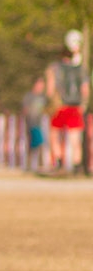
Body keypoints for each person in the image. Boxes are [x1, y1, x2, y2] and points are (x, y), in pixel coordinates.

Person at [46, 32, 90, 173]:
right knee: (74, 137)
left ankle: (59, 161)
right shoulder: (81, 70)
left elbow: (51, 88)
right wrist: (83, 104)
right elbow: (85, 89)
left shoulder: (55, 68)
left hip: (60, 106)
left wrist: (50, 101)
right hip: (75, 106)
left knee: (54, 134)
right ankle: (77, 165)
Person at [22, 75, 47, 172]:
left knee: (39, 143)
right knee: (32, 144)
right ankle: (29, 164)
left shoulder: (43, 97)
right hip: (31, 123)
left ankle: (38, 165)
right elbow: (25, 109)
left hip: (40, 123)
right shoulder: (29, 96)